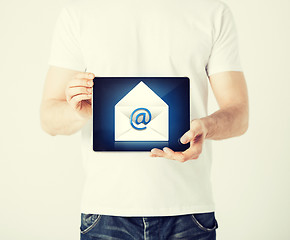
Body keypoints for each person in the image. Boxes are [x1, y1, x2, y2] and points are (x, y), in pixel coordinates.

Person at [40, 0, 249, 239]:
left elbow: (239, 113)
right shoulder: (79, 14)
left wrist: (207, 127)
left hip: (188, 210)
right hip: (106, 210)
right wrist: (80, 111)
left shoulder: (212, 12)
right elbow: (49, 117)